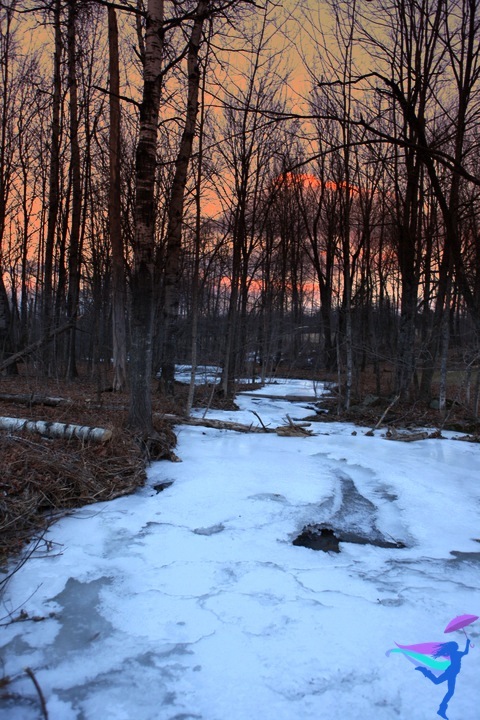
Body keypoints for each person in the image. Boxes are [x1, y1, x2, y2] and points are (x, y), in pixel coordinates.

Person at [415, 638, 470, 719]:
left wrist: (467, 643)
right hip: (451, 673)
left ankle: (441, 709)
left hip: (452, 673)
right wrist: (468, 643)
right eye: (456, 646)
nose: (458, 647)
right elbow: (466, 652)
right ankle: (441, 709)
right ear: (455, 648)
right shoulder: (457, 653)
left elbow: (465, 652)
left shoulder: (453, 653)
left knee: (447, 689)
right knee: (447, 689)